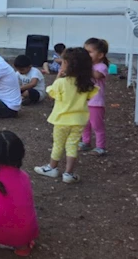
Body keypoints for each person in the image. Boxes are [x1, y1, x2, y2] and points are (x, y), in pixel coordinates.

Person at [34, 47, 98, 184]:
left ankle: (52, 167)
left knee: (58, 144)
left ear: (68, 65)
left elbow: (51, 94)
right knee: (72, 145)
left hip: (62, 120)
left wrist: (58, 76)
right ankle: (68, 173)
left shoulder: (61, 82)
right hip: (79, 120)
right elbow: (90, 97)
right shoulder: (87, 84)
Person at [80, 38, 109, 156]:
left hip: (96, 102)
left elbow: (97, 75)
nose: (86, 55)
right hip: (85, 100)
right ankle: (86, 142)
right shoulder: (88, 66)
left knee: (97, 125)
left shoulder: (101, 66)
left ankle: (100, 147)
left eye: (90, 52)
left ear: (100, 55)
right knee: (84, 123)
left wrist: (84, 68)